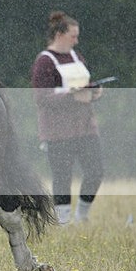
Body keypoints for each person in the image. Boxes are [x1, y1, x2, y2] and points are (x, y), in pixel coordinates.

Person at [31, 11, 104, 225]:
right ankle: (63, 222)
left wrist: (94, 93)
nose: (76, 40)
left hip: (85, 127)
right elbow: (42, 97)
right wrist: (72, 96)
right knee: (62, 176)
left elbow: (84, 86)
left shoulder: (76, 57)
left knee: (96, 171)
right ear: (60, 34)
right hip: (58, 132)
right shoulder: (45, 61)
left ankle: (82, 215)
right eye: (73, 36)